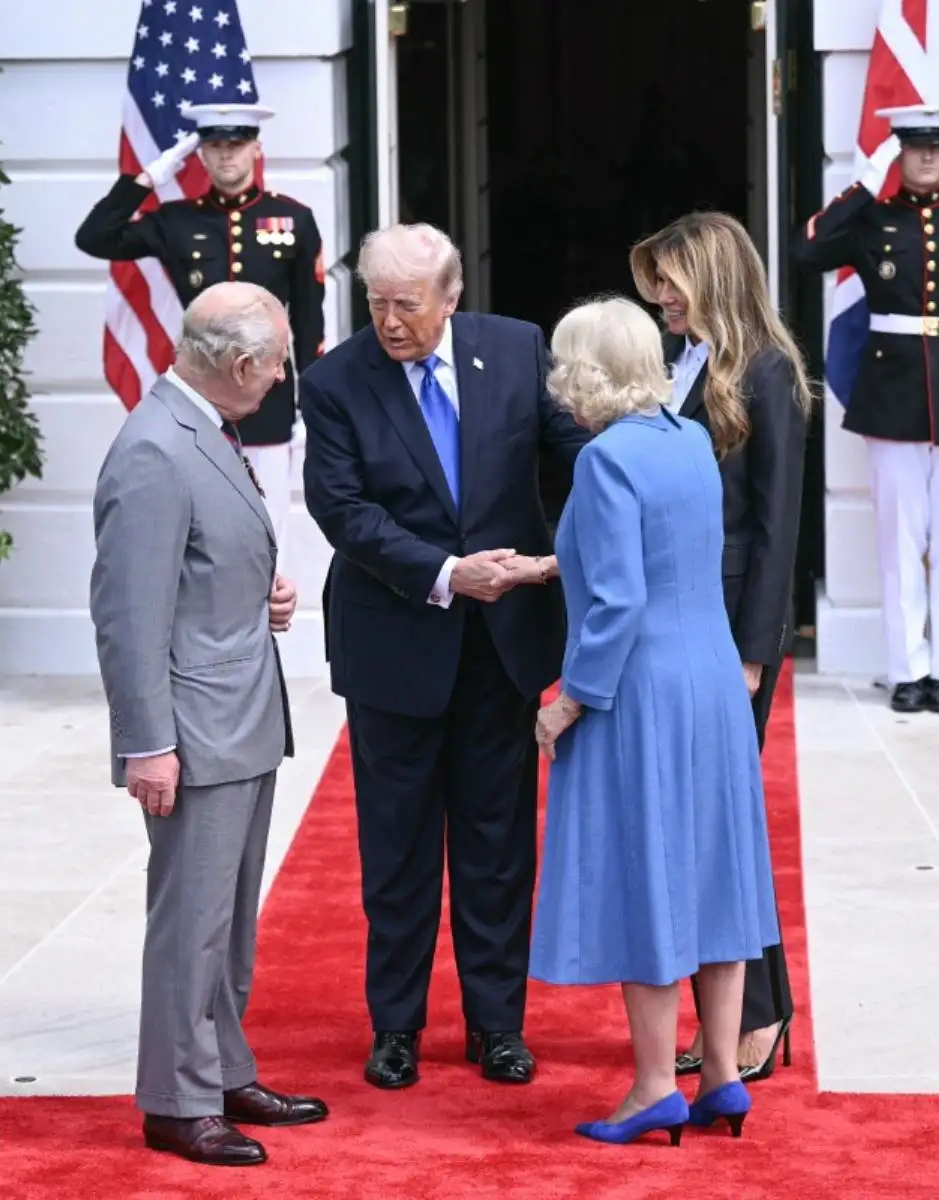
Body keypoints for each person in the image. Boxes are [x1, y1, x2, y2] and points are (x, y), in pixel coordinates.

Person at [299, 223, 590, 1092]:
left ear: (451, 297)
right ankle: (396, 1027)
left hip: (501, 643)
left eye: (407, 306)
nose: (390, 323)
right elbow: (343, 510)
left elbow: (573, 451)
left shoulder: (515, 349)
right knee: (396, 849)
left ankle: (496, 1024)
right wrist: (446, 573)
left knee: (497, 844)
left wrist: (618, 501)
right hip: (396, 640)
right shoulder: (337, 380)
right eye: (377, 303)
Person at [529, 297, 783, 1146]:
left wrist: (569, 700)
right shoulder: (690, 442)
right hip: (710, 681)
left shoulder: (606, 460)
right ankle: (718, 1076)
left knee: (646, 880)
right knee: (713, 875)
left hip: (638, 692)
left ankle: (649, 1088)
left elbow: (617, 602)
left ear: (583, 371)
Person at [90, 282, 324, 1168]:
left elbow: (198, 565)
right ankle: (177, 1101)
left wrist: (255, 595)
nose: (279, 380)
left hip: (238, 713)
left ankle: (222, 1069)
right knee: (190, 919)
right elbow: (127, 612)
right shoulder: (153, 448)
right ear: (234, 365)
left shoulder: (204, 427)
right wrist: (146, 742)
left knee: (227, 922)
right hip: (193, 728)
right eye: (275, 364)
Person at [629, 211, 809, 1083]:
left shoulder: (769, 372)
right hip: (681, 618)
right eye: (656, 282)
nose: (661, 296)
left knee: (722, 823)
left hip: (729, 629)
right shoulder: (686, 362)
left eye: (673, 280)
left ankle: (762, 1015)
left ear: (713, 279)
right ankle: (744, 1012)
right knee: (706, 823)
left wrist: (754, 652)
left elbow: (779, 527)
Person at [794, 104, 939, 715]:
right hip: (892, 399)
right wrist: (864, 185)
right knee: (898, 544)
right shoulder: (872, 220)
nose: (925, 156)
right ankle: (907, 671)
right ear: (898, 151)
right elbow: (805, 251)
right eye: (913, 146)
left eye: (936, 146)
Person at [76, 102, 327, 563]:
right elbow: (94, 237)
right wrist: (146, 178)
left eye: (236, 144)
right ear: (199, 154)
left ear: (256, 148)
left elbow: (310, 320)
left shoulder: (292, 219)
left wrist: (311, 405)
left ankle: (264, 629)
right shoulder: (176, 221)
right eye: (213, 146)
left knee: (268, 532)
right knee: (193, 528)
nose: (226, 156)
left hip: (267, 400)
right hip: (198, 398)